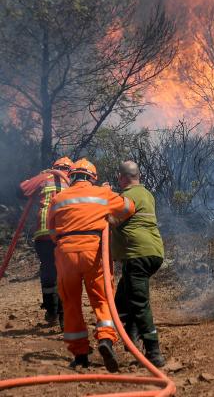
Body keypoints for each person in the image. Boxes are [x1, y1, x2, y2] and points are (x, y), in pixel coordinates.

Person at [48, 158, 135, 371]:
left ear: (71, 176)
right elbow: (128, 207)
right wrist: (111, 217)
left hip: (65, 253)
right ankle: (105, 339)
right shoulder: (102, 194)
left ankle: (80, 355)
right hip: (94, 251)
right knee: (102, 298)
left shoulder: (57, 198)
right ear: (92, 178)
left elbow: (52, 232)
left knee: (70, 302)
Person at [111, 160, 166, 368]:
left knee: (140, 304)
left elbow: (112, 221)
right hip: (154, 253)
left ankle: (154, 352)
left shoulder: (126, 197)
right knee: (122, 300)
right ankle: (131, 337)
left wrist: (103, 202)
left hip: (138, 256)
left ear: (122, 178)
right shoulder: (147, 194)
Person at [19, 156, 73, 325]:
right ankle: (65, 315)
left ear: (54, 167)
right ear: (70, 169)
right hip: (66, 234)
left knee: (49, 270)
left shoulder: (45, 177)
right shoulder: (74, 182)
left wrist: (34, 183)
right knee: (65, 273)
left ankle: (52, 312)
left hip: (44, 233)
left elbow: (21, 189)